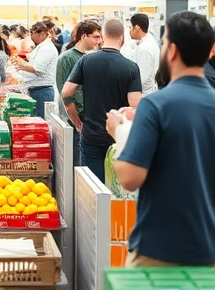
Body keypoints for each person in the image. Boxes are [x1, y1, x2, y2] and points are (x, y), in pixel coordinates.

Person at [110, 12, 215, 267]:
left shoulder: (155, 105)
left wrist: (119, 132)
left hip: (159, 249)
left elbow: (129, 178)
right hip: (211, 249)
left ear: (171, 51)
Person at [62, 20, 141, 183]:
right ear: (122, 38)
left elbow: (66, 93)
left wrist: (77, 122)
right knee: (117, 192)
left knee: (92, 191)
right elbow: (135, 105)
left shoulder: (86, 61)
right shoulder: (131, 67)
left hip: (92, 136)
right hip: (118, 139)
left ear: (103, 37)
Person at [56, 20, 103, 130]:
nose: (99, 41)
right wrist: (77, 124)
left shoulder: (88, 57)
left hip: (87, 118)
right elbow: (65, 96)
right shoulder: (66, 58)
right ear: (84, 36)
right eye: (96, 37)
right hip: (73, 121)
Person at [11, 21, 60, 119]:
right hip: (36, 88)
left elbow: (35, 68)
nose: (31, 37)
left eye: (31, 34)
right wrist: (22, 63)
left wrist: (21, 64)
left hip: (42, 90)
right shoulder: (41, 46)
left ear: (40, 34)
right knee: (35, 119)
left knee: (40, 120)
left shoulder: (47, 48)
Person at [129, 13, 160, 94]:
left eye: (130, 27)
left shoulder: (144, 49)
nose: (130, 31)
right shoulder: (148, 40)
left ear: (137, 28)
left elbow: (142, 78)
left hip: (145, 92)